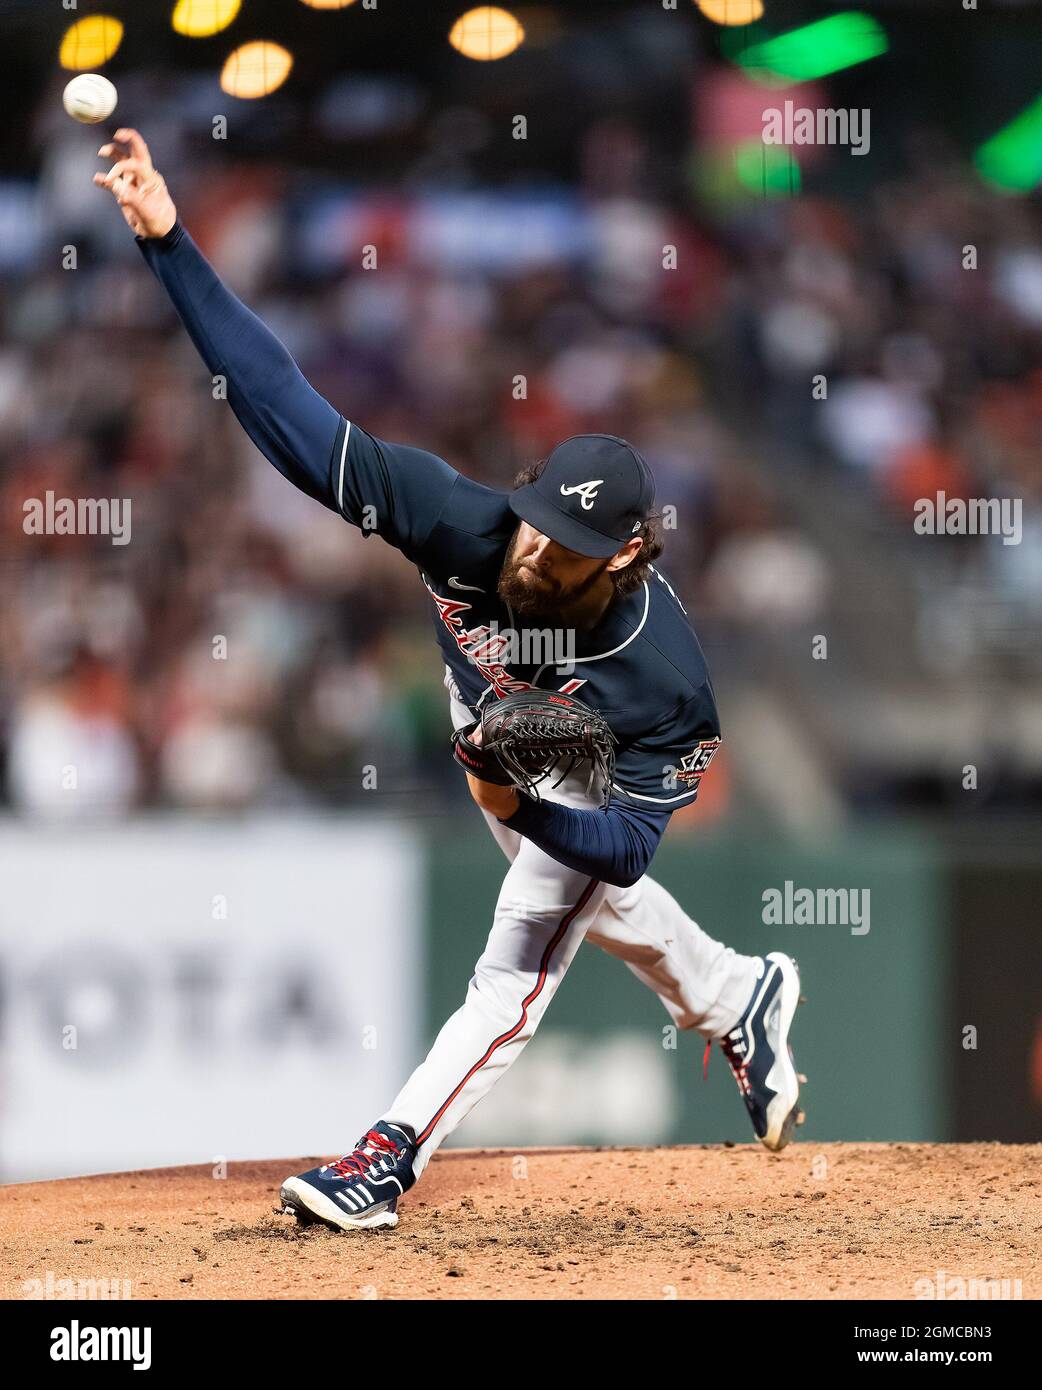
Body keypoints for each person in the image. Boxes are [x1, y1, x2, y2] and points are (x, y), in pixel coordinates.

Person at [95, 131, 805, 1233]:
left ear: (624, 555)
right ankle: (734, 994)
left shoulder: (660, 679)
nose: (534, 549)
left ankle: (382, 1161)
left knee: (522, 952)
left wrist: (516, 801)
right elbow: (288, 413)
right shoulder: (463, 521)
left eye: (567, 543)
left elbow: (622, 845)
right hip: (496, 717)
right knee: (593, 906)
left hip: (585, 755)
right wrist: (169, 242)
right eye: (537, 518)